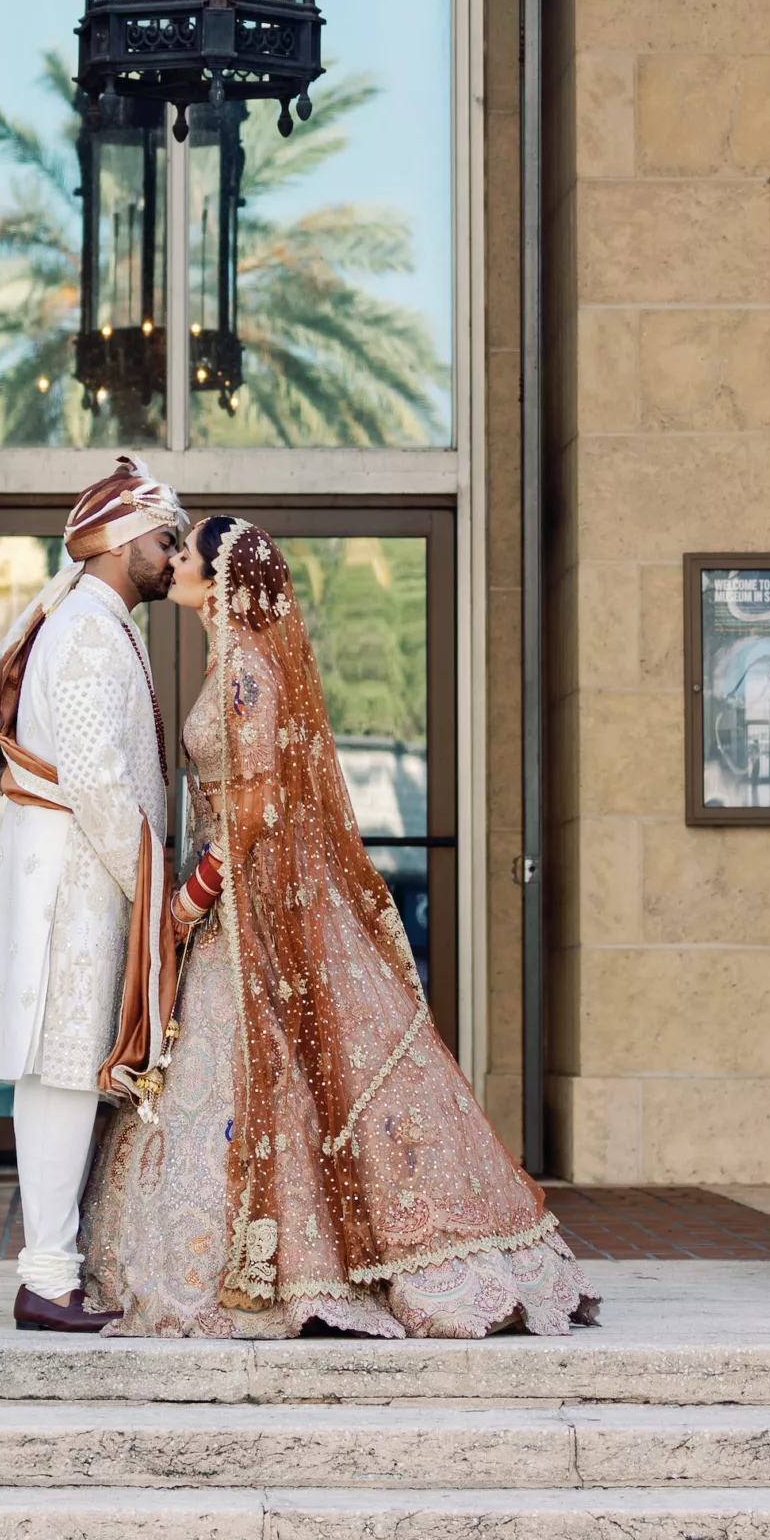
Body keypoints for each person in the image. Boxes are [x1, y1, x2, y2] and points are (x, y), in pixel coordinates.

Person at [83, 517, 599, 1338]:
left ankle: (301, 1266)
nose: (174, 559)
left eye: (187, 552)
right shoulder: (234, 663)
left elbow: (252, 811)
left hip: (241, 904)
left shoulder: (247, 672)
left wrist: (190, 898)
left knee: (275, 1076)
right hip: (236, 911)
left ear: (219, 579)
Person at [0, 455, 184, 1332]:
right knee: (59, 1075)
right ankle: (47, 1280)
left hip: (81, 874)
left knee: (70, 1073)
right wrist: (158, 893)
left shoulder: (95, 619)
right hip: (74, 883)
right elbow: (96, 781)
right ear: (125, 541)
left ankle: (57, 1271)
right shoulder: (89, 630)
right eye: (164, 542)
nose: (171, 557)